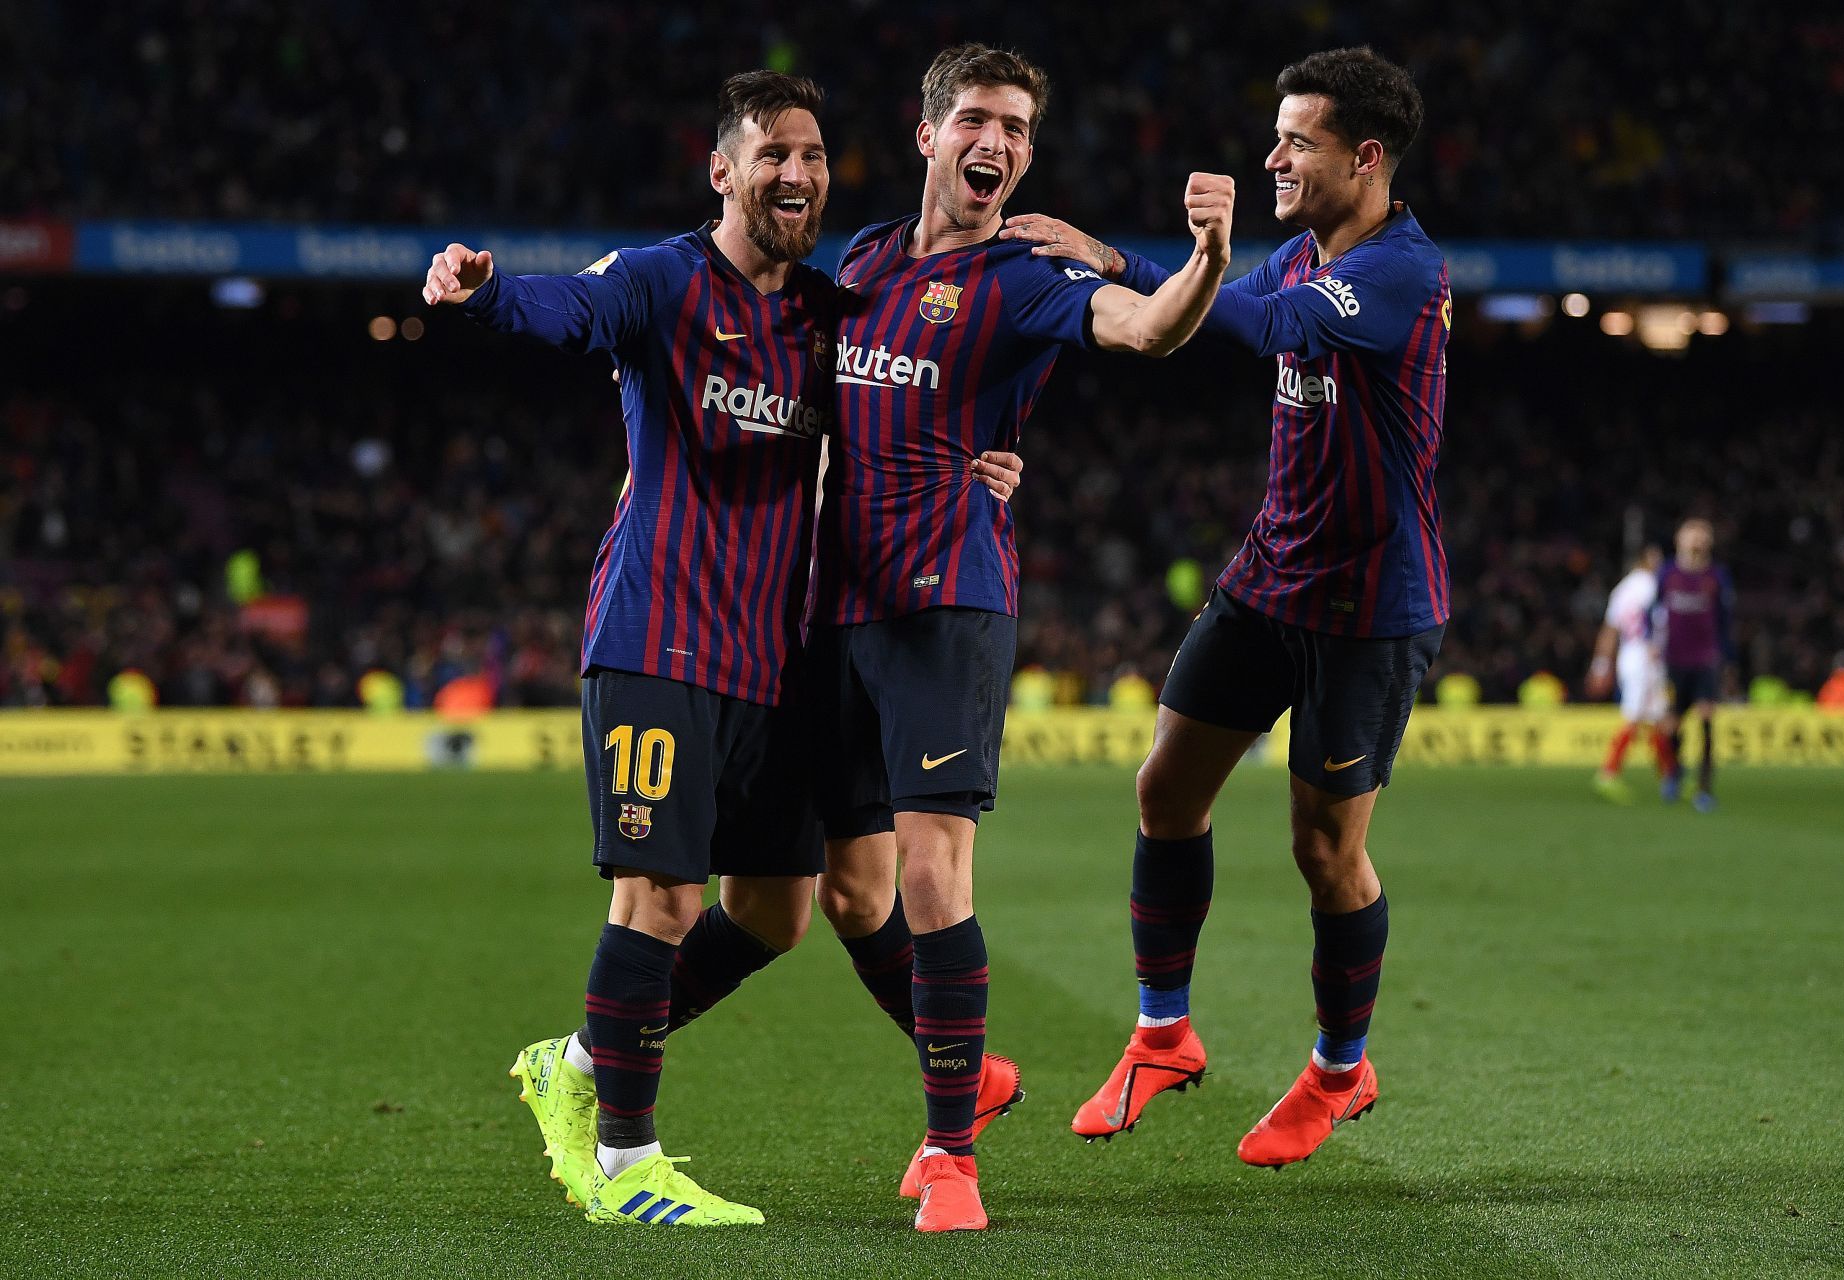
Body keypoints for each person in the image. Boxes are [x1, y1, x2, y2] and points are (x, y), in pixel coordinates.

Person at [421, 72, 1025, 1228]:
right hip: (658, 637)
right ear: (723, 172)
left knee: (778, 907)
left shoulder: (827, 309)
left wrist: (982, 461)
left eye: (810, 155)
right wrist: (485, 291)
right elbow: (565, 310)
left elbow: (914, 397)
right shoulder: (661, 281)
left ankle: (583, 1059)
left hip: (774, 656)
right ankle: (625, 1161)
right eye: (771, 155)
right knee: (656, 891)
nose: (795, 173)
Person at [803, 42, 1234, 1232]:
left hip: (950, 599)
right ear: (930, 131)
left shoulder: (1031, 271)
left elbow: (1147, 330)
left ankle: (951, 1153)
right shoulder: (870, 256)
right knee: (850, 891)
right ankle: (976, 1070)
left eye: (1018, 131)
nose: (998, 145)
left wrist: (1200, 261)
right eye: (979, 122)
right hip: (836, 604)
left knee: (933, 874)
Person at [1003, 45, 1448, 1168]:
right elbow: (1211, 310)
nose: (1273, 157)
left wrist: (1160, 255)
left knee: (1325, 850)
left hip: (1367, 606)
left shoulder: (1400, 273)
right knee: (1165, 787)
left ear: (1366, 154)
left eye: (1296, 140)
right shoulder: (1304, 253)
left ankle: (1342, 1070)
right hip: (1266, 578)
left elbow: (1254, 323)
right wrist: (1120, 261)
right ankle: (1164, 1032)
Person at [1587, 544, 1680, 802]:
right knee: (1637, 715)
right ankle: (1608, 774)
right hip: (1647, 655)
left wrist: (1601, 666)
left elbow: (1610, 629)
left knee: (1657, 716)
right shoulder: (1652, 585)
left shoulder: (1621, 589)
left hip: (1629, 654)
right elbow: (1661, 623)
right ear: (1646, 559)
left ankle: (1671, 778)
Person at [1657, 518, 1733, 810]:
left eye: (1703, 535)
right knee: (1672, 724)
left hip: (1706, 659)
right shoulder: (1668, 574)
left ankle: (1704, 788)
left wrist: (1727, 660)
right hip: (1674, 660)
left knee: (1705, 717)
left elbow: (1726, 620)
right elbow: (1655, 611)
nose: (1697, 540)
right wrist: (1653, 645)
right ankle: (1675, 772)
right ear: (1679, 539)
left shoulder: (1717, 576)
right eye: (1692, 534)